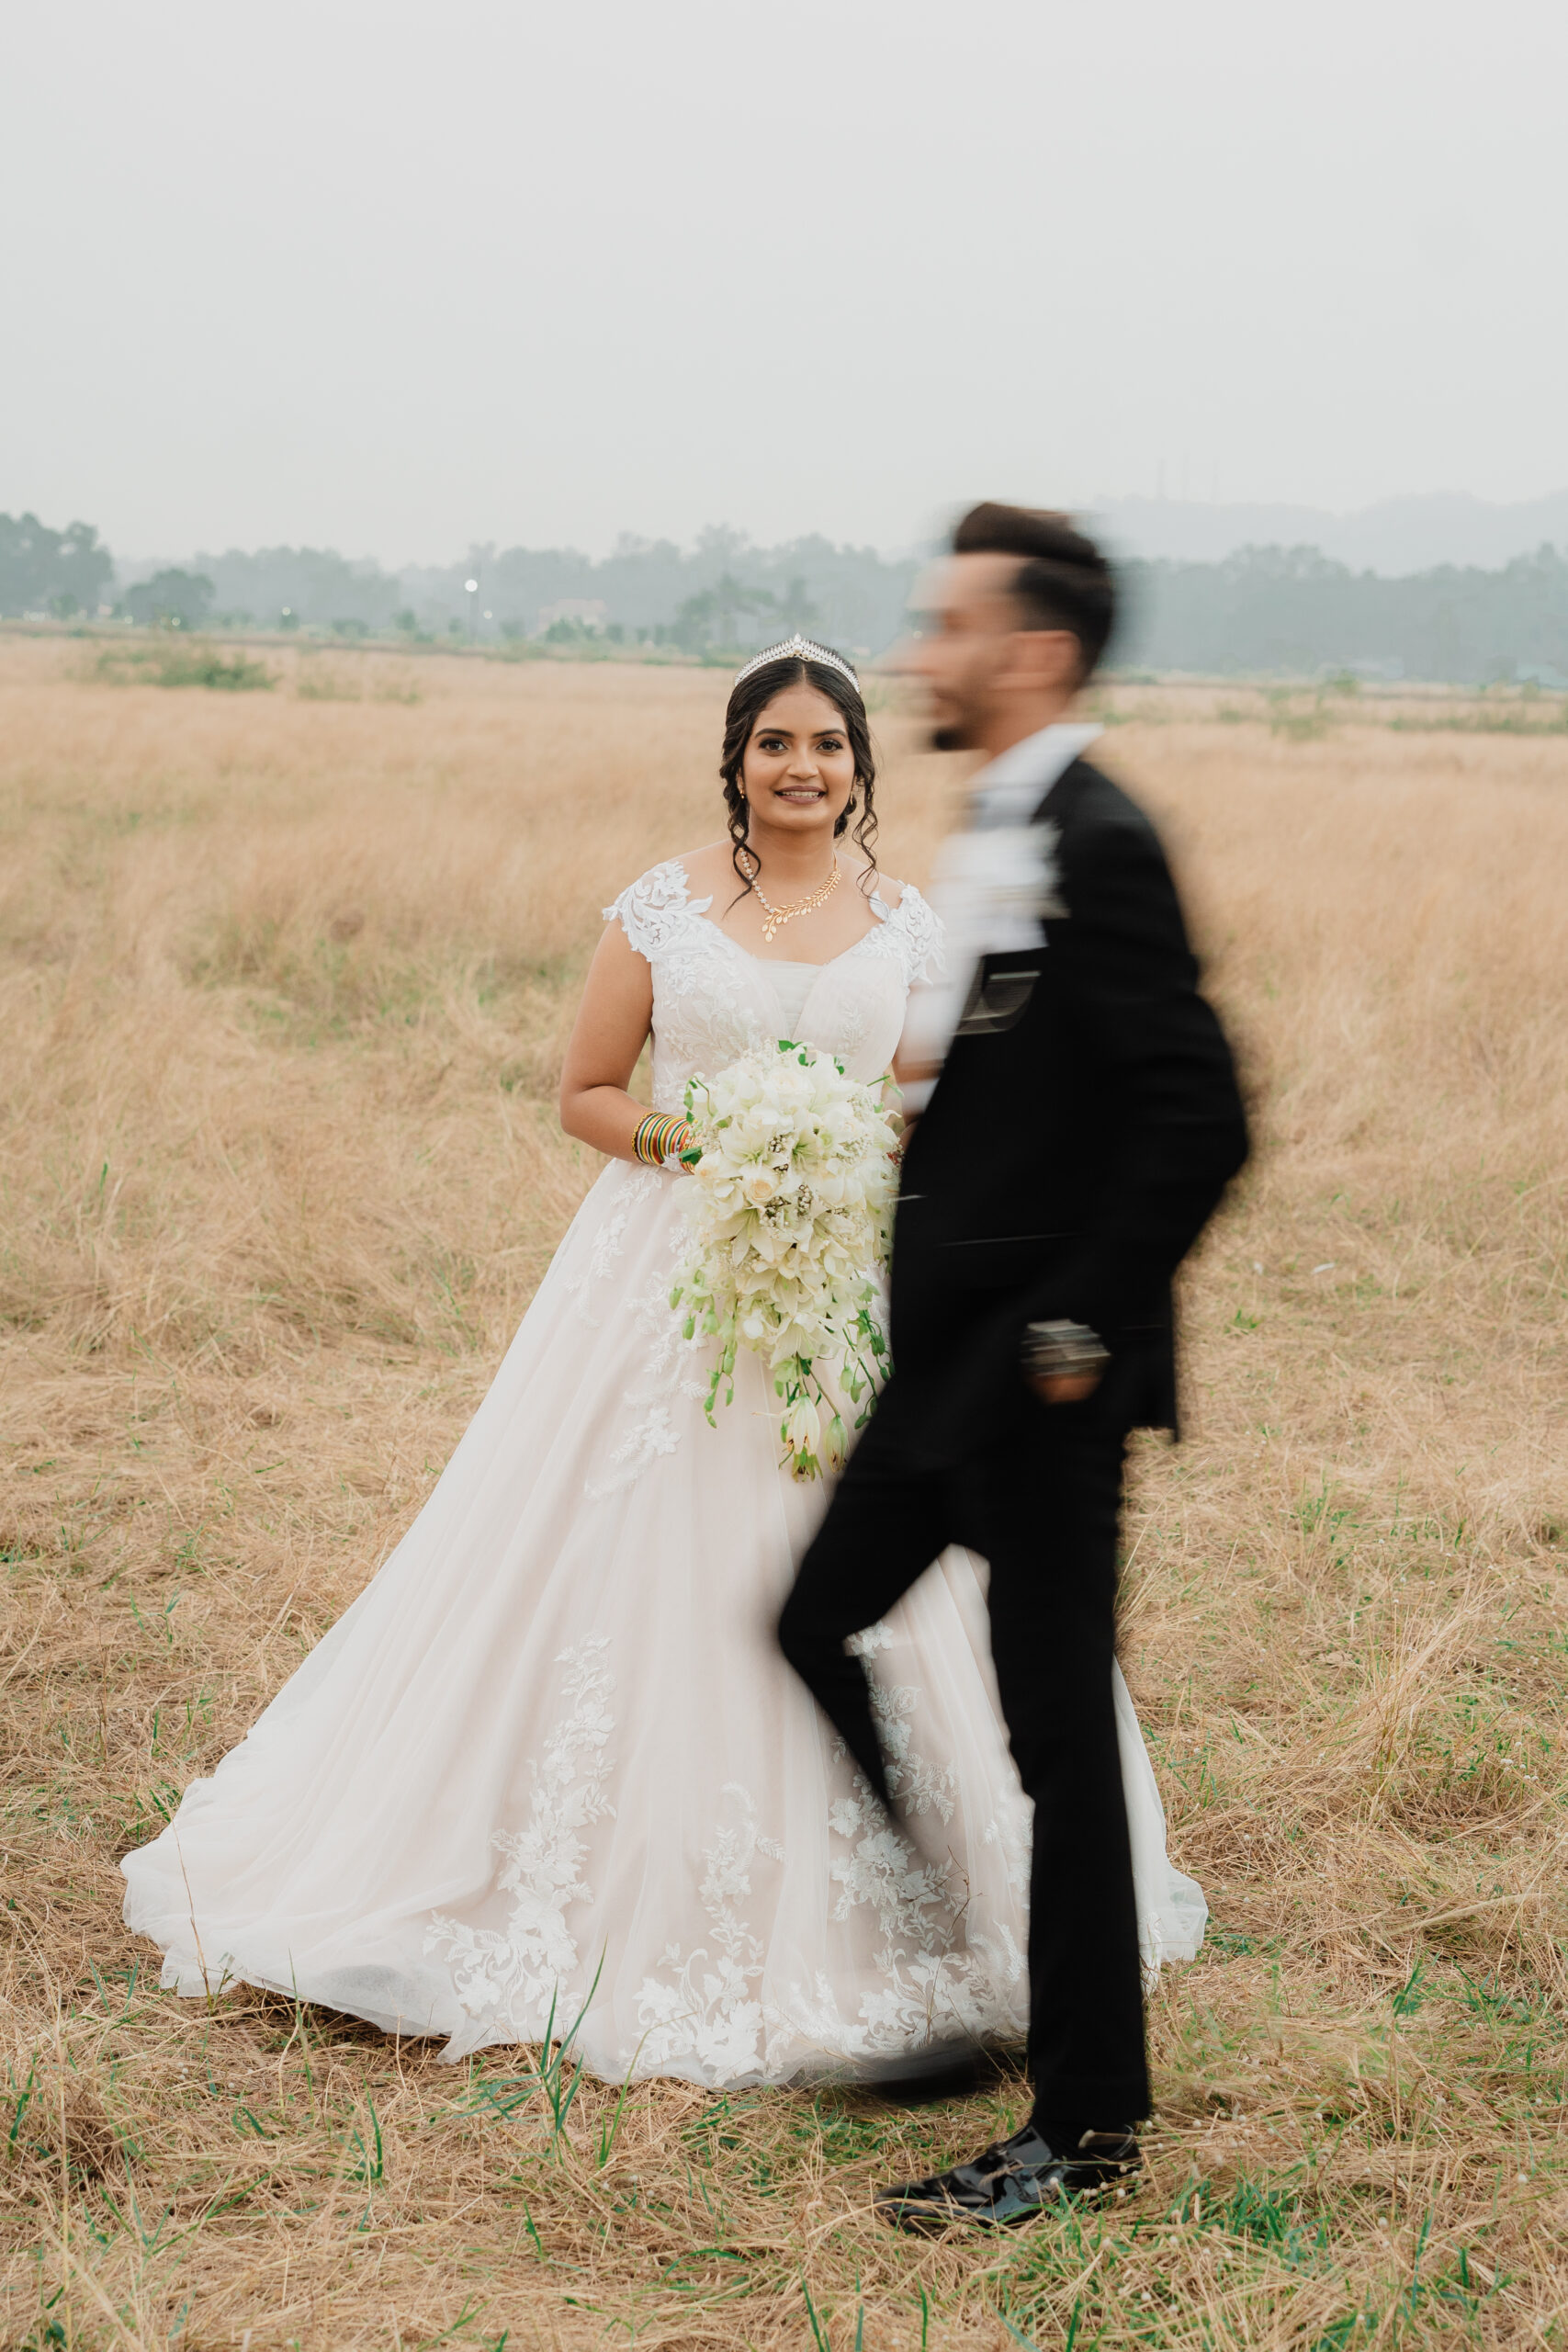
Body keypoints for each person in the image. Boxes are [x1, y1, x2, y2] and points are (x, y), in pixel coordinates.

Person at [121, 633, 1205, 2086]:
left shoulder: (911, 922)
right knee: (615, 1549)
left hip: (845, 1274)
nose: (803, 767)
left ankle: (918, 1899)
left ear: (860, 766)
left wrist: (855, 1154)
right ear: (737, 760)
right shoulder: (660, 907)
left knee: (857, 1554)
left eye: (829, 744)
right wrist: (712, 1145)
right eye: (777, 743)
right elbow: (584, 1091)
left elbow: (929, 1093)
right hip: (665, 1269)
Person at [778, 513, 1249, 2226]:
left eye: (951, 627)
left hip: (1042, 1386)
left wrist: (1077, 1329)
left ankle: (1083, 2129)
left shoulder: (1100, 836)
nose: (923, 653)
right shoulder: (1012, 824)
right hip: (949, 1374)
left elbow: (1201, 1111)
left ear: (1034, 653)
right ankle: (952, 1990)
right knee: (807, 1619)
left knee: (1059, 1757)